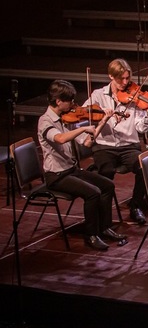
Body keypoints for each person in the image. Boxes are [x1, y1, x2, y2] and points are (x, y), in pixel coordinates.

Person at [38, 80, 127, 251]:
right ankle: (91, 234)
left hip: (71, 170)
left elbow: (86, 143)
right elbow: (60, 139)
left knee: (107, 185)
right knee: (93, 193)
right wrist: (82, 129)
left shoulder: (66, 119)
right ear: (58, 101)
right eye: (69, 101)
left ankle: (104, 227)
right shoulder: (45, 121)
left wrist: (102, 122)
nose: (73, 104)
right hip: (56, 176)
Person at [84, 58, 148, 225]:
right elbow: (85, 112)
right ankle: (104, 214)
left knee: (143, 167)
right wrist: (103, 114)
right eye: (121, 79)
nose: (125, 83)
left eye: (127, 78)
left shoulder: (134, 96)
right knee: (106, 172)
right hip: (105, 147)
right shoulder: (98, 95)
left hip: (128, 146)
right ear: (111, 76)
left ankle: (136, 205)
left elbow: (140, 129)